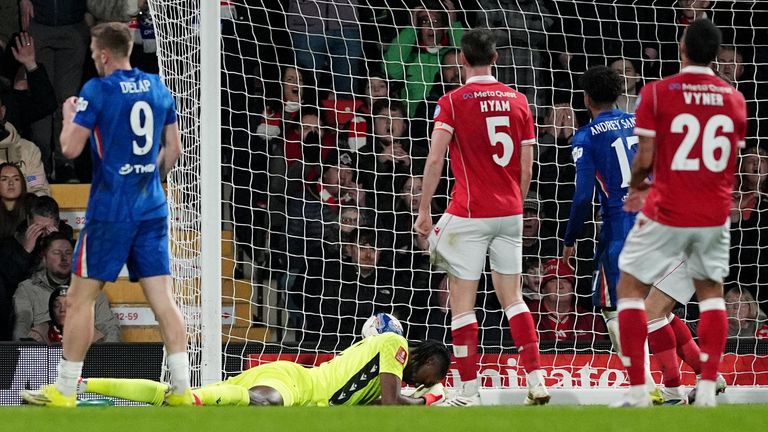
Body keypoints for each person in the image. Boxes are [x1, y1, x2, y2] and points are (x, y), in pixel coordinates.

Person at [20, 22, 189, 407]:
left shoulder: (97, 90)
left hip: (111, 211)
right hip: (151, 207)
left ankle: (64, 391)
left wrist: (67, 114)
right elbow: (174, 152)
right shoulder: (158, 87)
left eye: (95, 53)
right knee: (162, 298)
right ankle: (182, 390)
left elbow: (70, 149)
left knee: (80, 299)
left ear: (103, 54)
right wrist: (147, 180)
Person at [614, 19, 747, 407]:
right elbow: (728, 161)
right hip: (712, 215)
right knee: (711, 299)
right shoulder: (734, 98)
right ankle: (708, 386)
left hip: (668, 214)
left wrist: (638, 187)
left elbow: (646, 157)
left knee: (634, 297)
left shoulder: (657, 93)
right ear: (716, 56)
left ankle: (653, 391)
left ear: (682, 49)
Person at [414, 28, 549, 406]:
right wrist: (515, 204)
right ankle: (537, 380)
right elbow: (527, 163)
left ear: (461, 59)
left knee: (462, 301)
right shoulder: (518, 100)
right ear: (496, 58)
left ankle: (469, 393)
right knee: (514, 298)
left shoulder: (453, 101)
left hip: (470, 213)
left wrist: (424, 211)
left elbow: (436, 158)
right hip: (510, 212)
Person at [76, 334, 451, 407]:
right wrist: (430, 400)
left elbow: (383, 401)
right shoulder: (395, 345)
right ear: (425, 358)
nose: (422, 383)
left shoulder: (372, 388)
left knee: (182, 401)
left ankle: (84, 383)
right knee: (266, 403)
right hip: (296, 384)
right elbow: (392, 403)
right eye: (429, 375)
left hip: (291, 382)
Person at [13, 230, 120, 342]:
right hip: (44, 355)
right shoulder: (28, 289)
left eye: (68, 253)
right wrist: (25, 352)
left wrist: (108, 356)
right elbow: (21, 325)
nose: (64, 258)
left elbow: (110, 327)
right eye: (57, 253)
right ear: (44, 258)